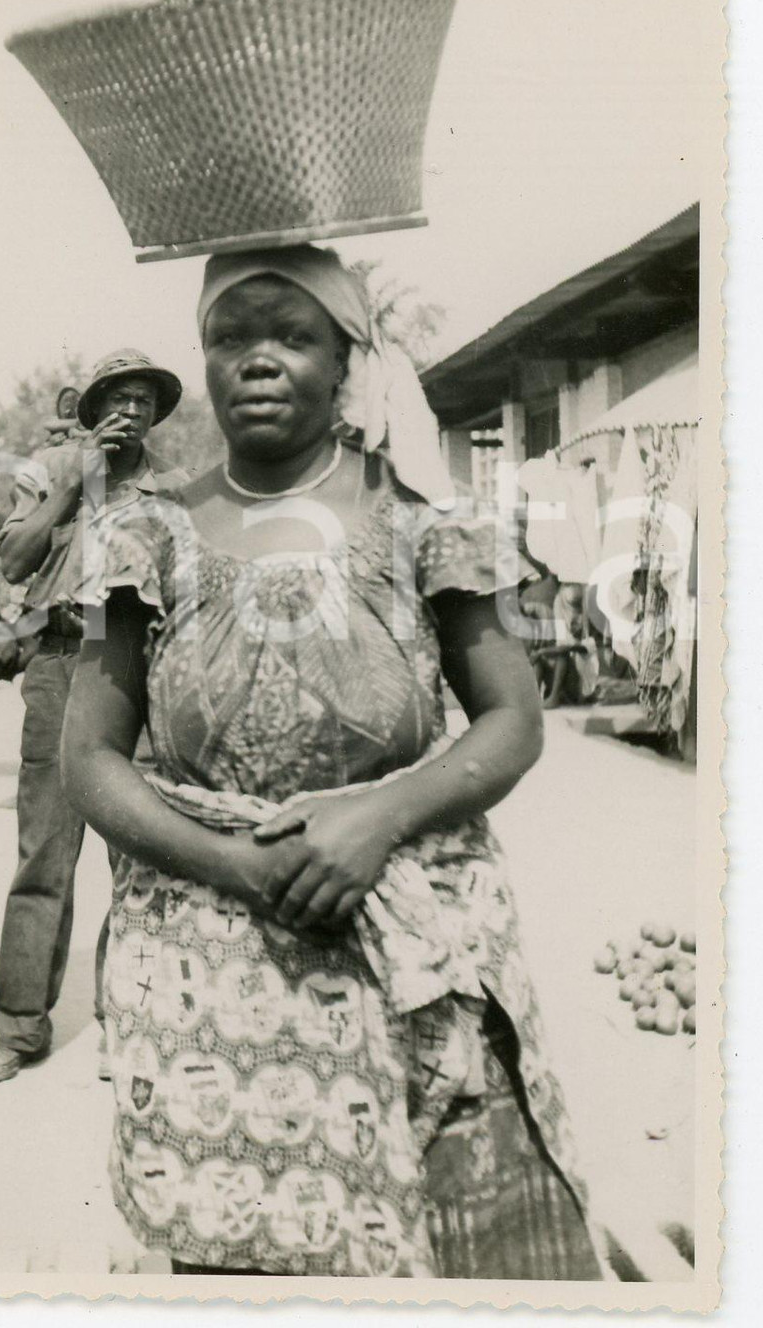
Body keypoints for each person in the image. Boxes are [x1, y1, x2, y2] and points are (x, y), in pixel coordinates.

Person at [60, 248, 602, 1279]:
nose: (257, 361)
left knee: (471, 1232)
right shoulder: (143, 532)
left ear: (349, 359)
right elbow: (90, 760)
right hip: (211, 963)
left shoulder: (422, 523)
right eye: (230, 337)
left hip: (403, 922)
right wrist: (243, 867)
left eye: (292, 336)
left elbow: (510, 720)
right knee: (247, 1243)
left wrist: (378, 818)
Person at [0, 350, 188, 1087]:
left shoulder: (173, 492)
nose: (132, 410)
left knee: (139, 855)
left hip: (141, 672)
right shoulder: (47, 470)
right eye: (117, 398)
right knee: (44, 852)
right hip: (62, 663)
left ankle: (126, 1019)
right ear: (91, 408)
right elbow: (13, 563)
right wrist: (76, 484)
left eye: (145, 399)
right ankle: (20, 1027)